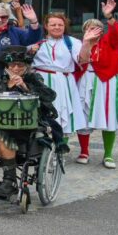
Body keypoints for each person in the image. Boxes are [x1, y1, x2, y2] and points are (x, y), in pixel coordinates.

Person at [0, 46, 58, 199]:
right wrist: (6, 88)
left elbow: (49, 97)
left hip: (26, 126)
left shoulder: (34, 79)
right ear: (6, 66)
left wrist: (24, 87)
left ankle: (10, 181)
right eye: (12, 65)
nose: (16, 68)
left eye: (20, 65)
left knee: (0, 133)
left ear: (26, 66)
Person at [75, 0, 118, 168]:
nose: (94, 31)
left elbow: (117, 34)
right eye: (90, 28)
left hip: (108, 82)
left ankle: (109, 154)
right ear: (84, 30)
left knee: (109, 115)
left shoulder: (109, 42)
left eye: (98, 28)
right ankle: (84, 151)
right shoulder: (79, 44)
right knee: (84, 116)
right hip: (86, 81)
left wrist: (109, 16)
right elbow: (81, 61)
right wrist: (86, 43)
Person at [29, 12, 85, 140]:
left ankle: (60, 151)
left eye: (60, 24)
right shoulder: (38, 41)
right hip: (41, 82)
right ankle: (43, 150)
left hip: (64, 82)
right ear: (46, 26)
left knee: (63, 116)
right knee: (41, 116)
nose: (57, 27)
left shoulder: (72, 42)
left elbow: (82, 60)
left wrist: (87, 42)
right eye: (53, 24)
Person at [0, 2, 41, 80]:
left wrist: (34, 21)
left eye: (4, 17)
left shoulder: (15, 32)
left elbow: (32, 39)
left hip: (10, 78)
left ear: (8, 17)